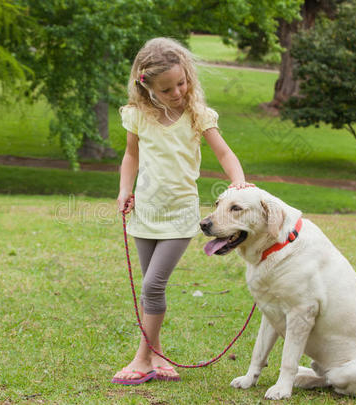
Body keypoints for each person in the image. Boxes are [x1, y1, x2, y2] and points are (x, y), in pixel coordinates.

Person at [112, 37, 251, 385]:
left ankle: (141, 359)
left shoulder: (198, 115)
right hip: (145, 213)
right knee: (149, 288)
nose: (177, 91)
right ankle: (157, 355)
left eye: (182, 82)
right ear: (147, 87)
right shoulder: (137, 116)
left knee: (153, 285)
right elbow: (131, 156)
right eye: (167, 88)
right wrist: (124, 190)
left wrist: (238, 183)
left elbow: (224, 153)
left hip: (179, 215)